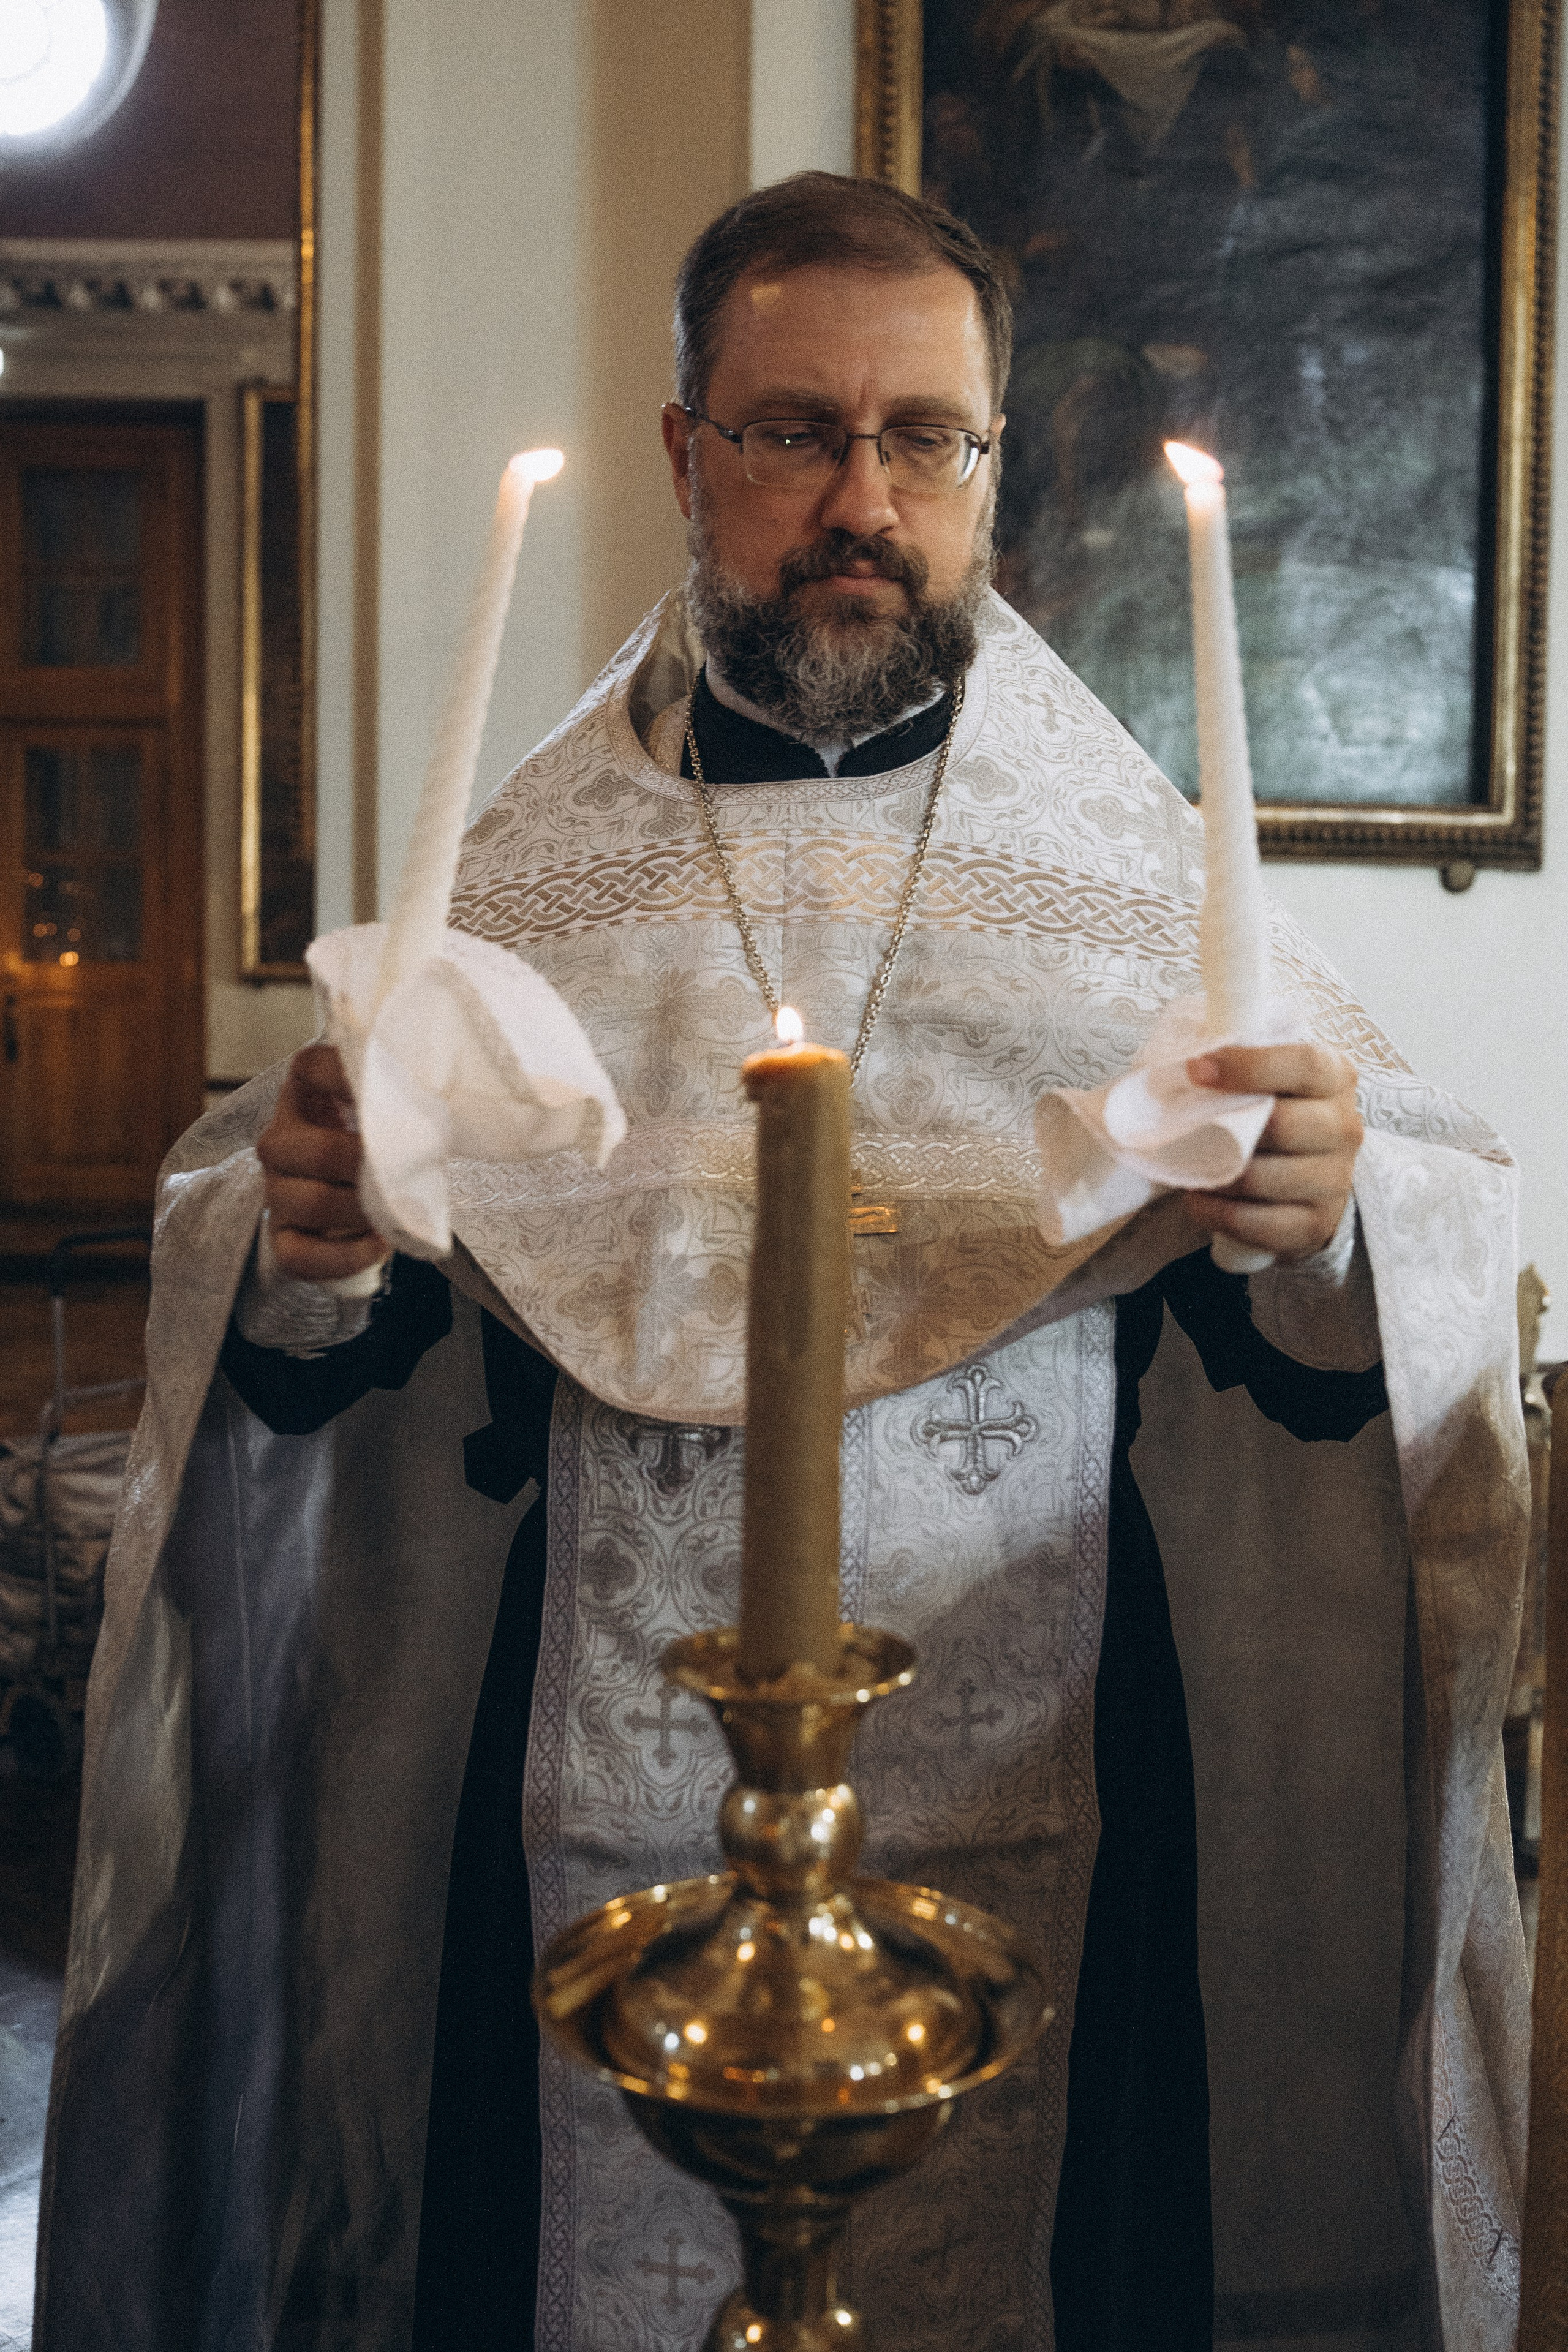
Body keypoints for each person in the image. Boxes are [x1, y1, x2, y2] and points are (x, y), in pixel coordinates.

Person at [36, 174, 1528, 2352]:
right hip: (575, 1797)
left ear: (992, 466)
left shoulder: (1133, 895)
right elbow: (335, 1362)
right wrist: (309, 1246)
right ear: (684, 452)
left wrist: (1330, 1229)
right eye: (794, 432)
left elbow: (1346, 1321)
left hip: (1049, 1787)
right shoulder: (525, 901)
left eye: (926, 439)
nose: (864, 501)